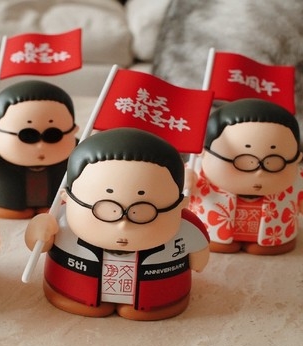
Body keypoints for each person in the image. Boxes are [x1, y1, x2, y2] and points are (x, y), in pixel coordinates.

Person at [25, 128, 210, 320]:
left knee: (150, 308)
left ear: (180, 205)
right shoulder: (59, 221)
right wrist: (38, 229)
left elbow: (199, 260)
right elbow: (37, 246)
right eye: (106, 209)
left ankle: (149, 307)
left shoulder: (187, 229)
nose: (123, 225)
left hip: (158, 296)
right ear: (67, 198)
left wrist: (198, 258)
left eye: (143, 211)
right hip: (73, 290)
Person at [187, 99, 303, 255]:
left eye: (274, 162)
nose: (259, 172)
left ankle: (270, 244)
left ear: (297, 158)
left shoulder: (297, 178)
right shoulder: (196, 172)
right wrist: (186, 181)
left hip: (277, 233)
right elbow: (178, 195)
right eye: (244, 161)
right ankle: (218, 241)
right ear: (204, 152)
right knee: (214, 241)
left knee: (269, 245)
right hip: (212, 232)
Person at [0, 80, 78, 218]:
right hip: (2, 202)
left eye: (53, 135)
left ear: (74, 130)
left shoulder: (78, 152)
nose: (40, 145)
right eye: (28, 135)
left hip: (59, 203)